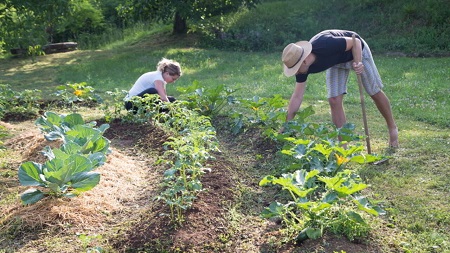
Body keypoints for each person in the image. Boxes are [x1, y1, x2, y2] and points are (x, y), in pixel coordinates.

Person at [281, 29, 398, 147]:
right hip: (336, 61)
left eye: (296, 69)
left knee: (374, 92)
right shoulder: (302, 68)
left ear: (304, 61)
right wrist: (286, 125)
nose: (295, 73)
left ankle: (392, 129)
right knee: (334, 100)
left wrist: (358, 62)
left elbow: (355, 41)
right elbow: (297, 96)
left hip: (356, 51)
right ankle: (343, 146)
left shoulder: (325, 44)